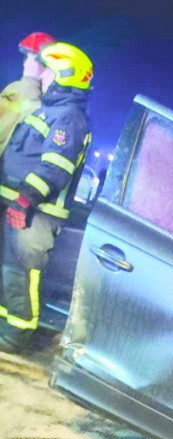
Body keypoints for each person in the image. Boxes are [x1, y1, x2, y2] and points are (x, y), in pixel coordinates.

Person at [0, 41, 92, 352]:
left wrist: (25, 199)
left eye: (49, 72)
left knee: (20, 272)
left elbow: (56, 168)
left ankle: (17, 335)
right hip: (17, 205)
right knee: (7, 270)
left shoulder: (68, 118)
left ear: (65, 76)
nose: (43, 77)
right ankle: (6, 326)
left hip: (35, 213)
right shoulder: (50, 110)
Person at [0, 32, 56, 157]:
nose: (26, 64)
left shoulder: (51, 105)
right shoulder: (15, 87)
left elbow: (29, 139)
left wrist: (31, 82)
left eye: (33, 60)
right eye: (26, 58)